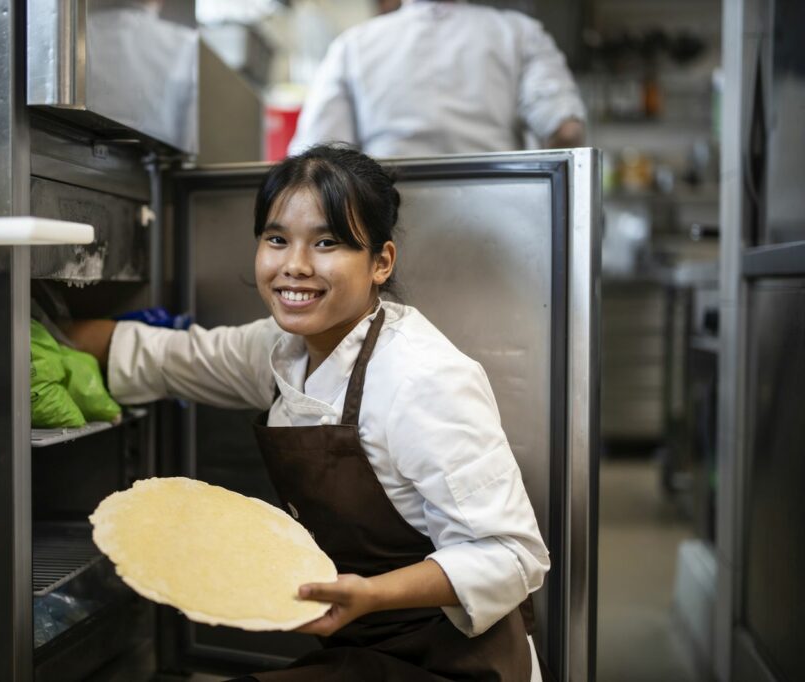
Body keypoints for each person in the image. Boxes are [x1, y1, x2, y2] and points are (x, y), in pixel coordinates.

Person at [66, 144, 550, 681]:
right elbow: (173, 357)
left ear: (381, 262)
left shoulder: (422, 379)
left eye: (326, 242)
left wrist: (371, 594)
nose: (294, 266)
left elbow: (512, 554)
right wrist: (33, 332)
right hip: (362, 649)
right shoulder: (282, 349)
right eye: (277, 239)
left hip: (458, 660)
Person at [288, 0, 586, 157]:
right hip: (502, 220)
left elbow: (318, 155)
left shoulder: (353, 46)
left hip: (385, 224)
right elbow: (567, 130)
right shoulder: (519, 34)